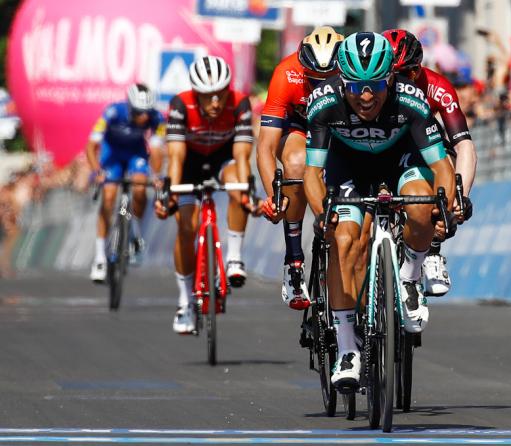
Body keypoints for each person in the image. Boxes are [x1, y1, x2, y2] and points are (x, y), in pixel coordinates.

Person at [303, 32, 456, 387]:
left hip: (399, 161)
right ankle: (346, 350)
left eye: (375, 85)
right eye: (355, 87)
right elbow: (312, 173)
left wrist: (443, 205)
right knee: (344, 240)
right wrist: (321, 213)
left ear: (391, 79)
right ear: (342, 81)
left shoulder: (412, 101)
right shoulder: (323, 103)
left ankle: (408, 277)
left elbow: (442, 167)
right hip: (347, 167)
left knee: (421, 206)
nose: (366, 96)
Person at [154, 55, 257, 334]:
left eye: (220, 94)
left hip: (223, 160)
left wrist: (247, 187)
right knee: (187, 227)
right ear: (196, 93)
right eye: (207, 96)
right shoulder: (180, 104)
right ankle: (185, 300)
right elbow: (175, 156)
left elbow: (242, 154)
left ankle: (234, 258)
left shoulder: (240, 103)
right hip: (189, 165)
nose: (215, 102)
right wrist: (171, 193)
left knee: (239, 185)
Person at [382, 29, 476, 297]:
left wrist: (461, 197)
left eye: (408, 73)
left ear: (419, 69)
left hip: (419, 141)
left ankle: (432, 248)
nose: (402, 81)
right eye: (394, 74)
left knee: (443, 163)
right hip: (379, 142)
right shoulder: (374, 89)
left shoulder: (437, 86)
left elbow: (464, 145)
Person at [256, 26, 344, 310]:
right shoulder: (286, 73)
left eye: (327, 78)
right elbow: (266, 147)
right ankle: (294, 260)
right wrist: (274, 196)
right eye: (314, 79)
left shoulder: (353, 72)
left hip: (340, 127)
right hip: (300, 127)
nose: (320, 86)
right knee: (296, 163)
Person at [86, 83, 165, 283]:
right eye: (139, 112)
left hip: (135, 154)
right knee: (109, 197)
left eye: (147, 112)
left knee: (140, 189)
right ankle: (100, 258)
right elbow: (91, 145)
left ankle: (135, 234)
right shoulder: (112, 112)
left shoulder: (157, 118)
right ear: (130, 107)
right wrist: (97, 171)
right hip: (111, 154)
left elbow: (156, 150)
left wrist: (156, 176)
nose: (144, 117)